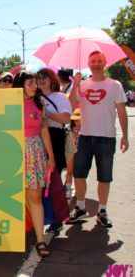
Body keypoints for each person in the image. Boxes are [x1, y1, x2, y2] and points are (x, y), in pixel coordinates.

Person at [68, 51, 129, 228]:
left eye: (99, 61)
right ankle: (80, 207)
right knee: (79, 174)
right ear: (88, 63)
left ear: (104, 63)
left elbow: (122, 111)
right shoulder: (82, 85)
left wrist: (125, 135)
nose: (96, 63)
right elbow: (71, 107)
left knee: (104, 176)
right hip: (85, 137)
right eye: (93, 61)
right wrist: (75, 85)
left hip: (106, 137)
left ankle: (102, 210)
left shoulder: (114, 85)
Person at [13, 71, 55, 258]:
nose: (34, 86)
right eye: (30, 82)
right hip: (12, 152)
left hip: (35, 152)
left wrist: (50, 156)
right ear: (20, 84)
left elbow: (44, 129)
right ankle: (10, 237)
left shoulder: (40, 103)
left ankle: (40, 240)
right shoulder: (7, 101)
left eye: (35, 83)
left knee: (35, 197)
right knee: (11, 196)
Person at [36, 68, 71, 232]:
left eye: (45, 77)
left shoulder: (60, 97)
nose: (41, 80)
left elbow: (65, 118)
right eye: (38, 77)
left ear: (52, 80)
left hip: (55, 138)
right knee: (38, 183)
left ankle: (57, 219)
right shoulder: (32, 97)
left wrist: (46, 111)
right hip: (36, 139)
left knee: (54, 180)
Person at [64, 108, 81, 199]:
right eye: (76, 120)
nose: (77, 122)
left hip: (81, 151)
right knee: (69, 171)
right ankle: (68, 190)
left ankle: (78, 191)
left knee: (79, 173)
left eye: (79, 120)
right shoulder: (69, 129)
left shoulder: (86, 129)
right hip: (70, 151)